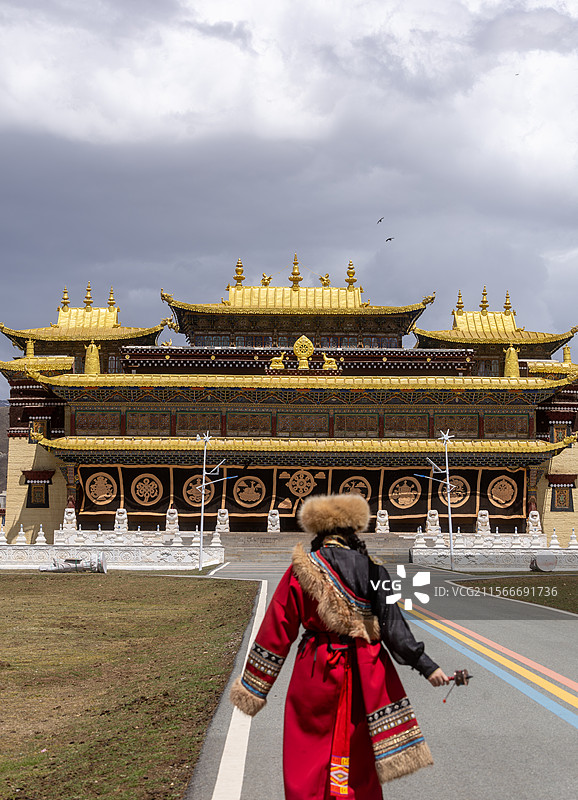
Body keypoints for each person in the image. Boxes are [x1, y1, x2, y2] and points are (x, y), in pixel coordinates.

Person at [230, 493, 449, 799]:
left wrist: (253, 690)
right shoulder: (375, 571)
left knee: (307, 749)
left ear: (318, 531)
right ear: (354, 531)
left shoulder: (302, 569)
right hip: (365, 673)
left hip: (315, 668)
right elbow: (395, 630)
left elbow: (277, 628)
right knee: (358, 750)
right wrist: (428, 666)